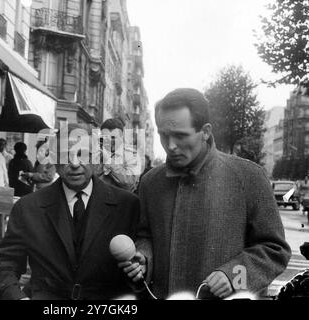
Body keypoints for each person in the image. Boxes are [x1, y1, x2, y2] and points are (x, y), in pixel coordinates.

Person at [119, 88, 291, 299]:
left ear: (206, 132)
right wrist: (143, 259)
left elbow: (275, 249)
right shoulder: (150, 182)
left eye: (181, 136)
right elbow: (145, 236)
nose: (171, 146)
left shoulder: (249, 176)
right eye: (164, 135)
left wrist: (234, 276)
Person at [0, 123, 140, 300]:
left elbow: (141, 271)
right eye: (66, 155)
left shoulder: (127, 206)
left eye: (83, 154)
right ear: (53, 158)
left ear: (97, 157)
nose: (75, 163)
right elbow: (4, 264)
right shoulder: (28, 208)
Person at [96, 118, 140, 192]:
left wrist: (108, 161)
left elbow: (129, 183)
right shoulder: (96, 152)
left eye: (113, 137)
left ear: (121, 137)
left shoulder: (132, 155)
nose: (109, 140)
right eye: (105, 137)